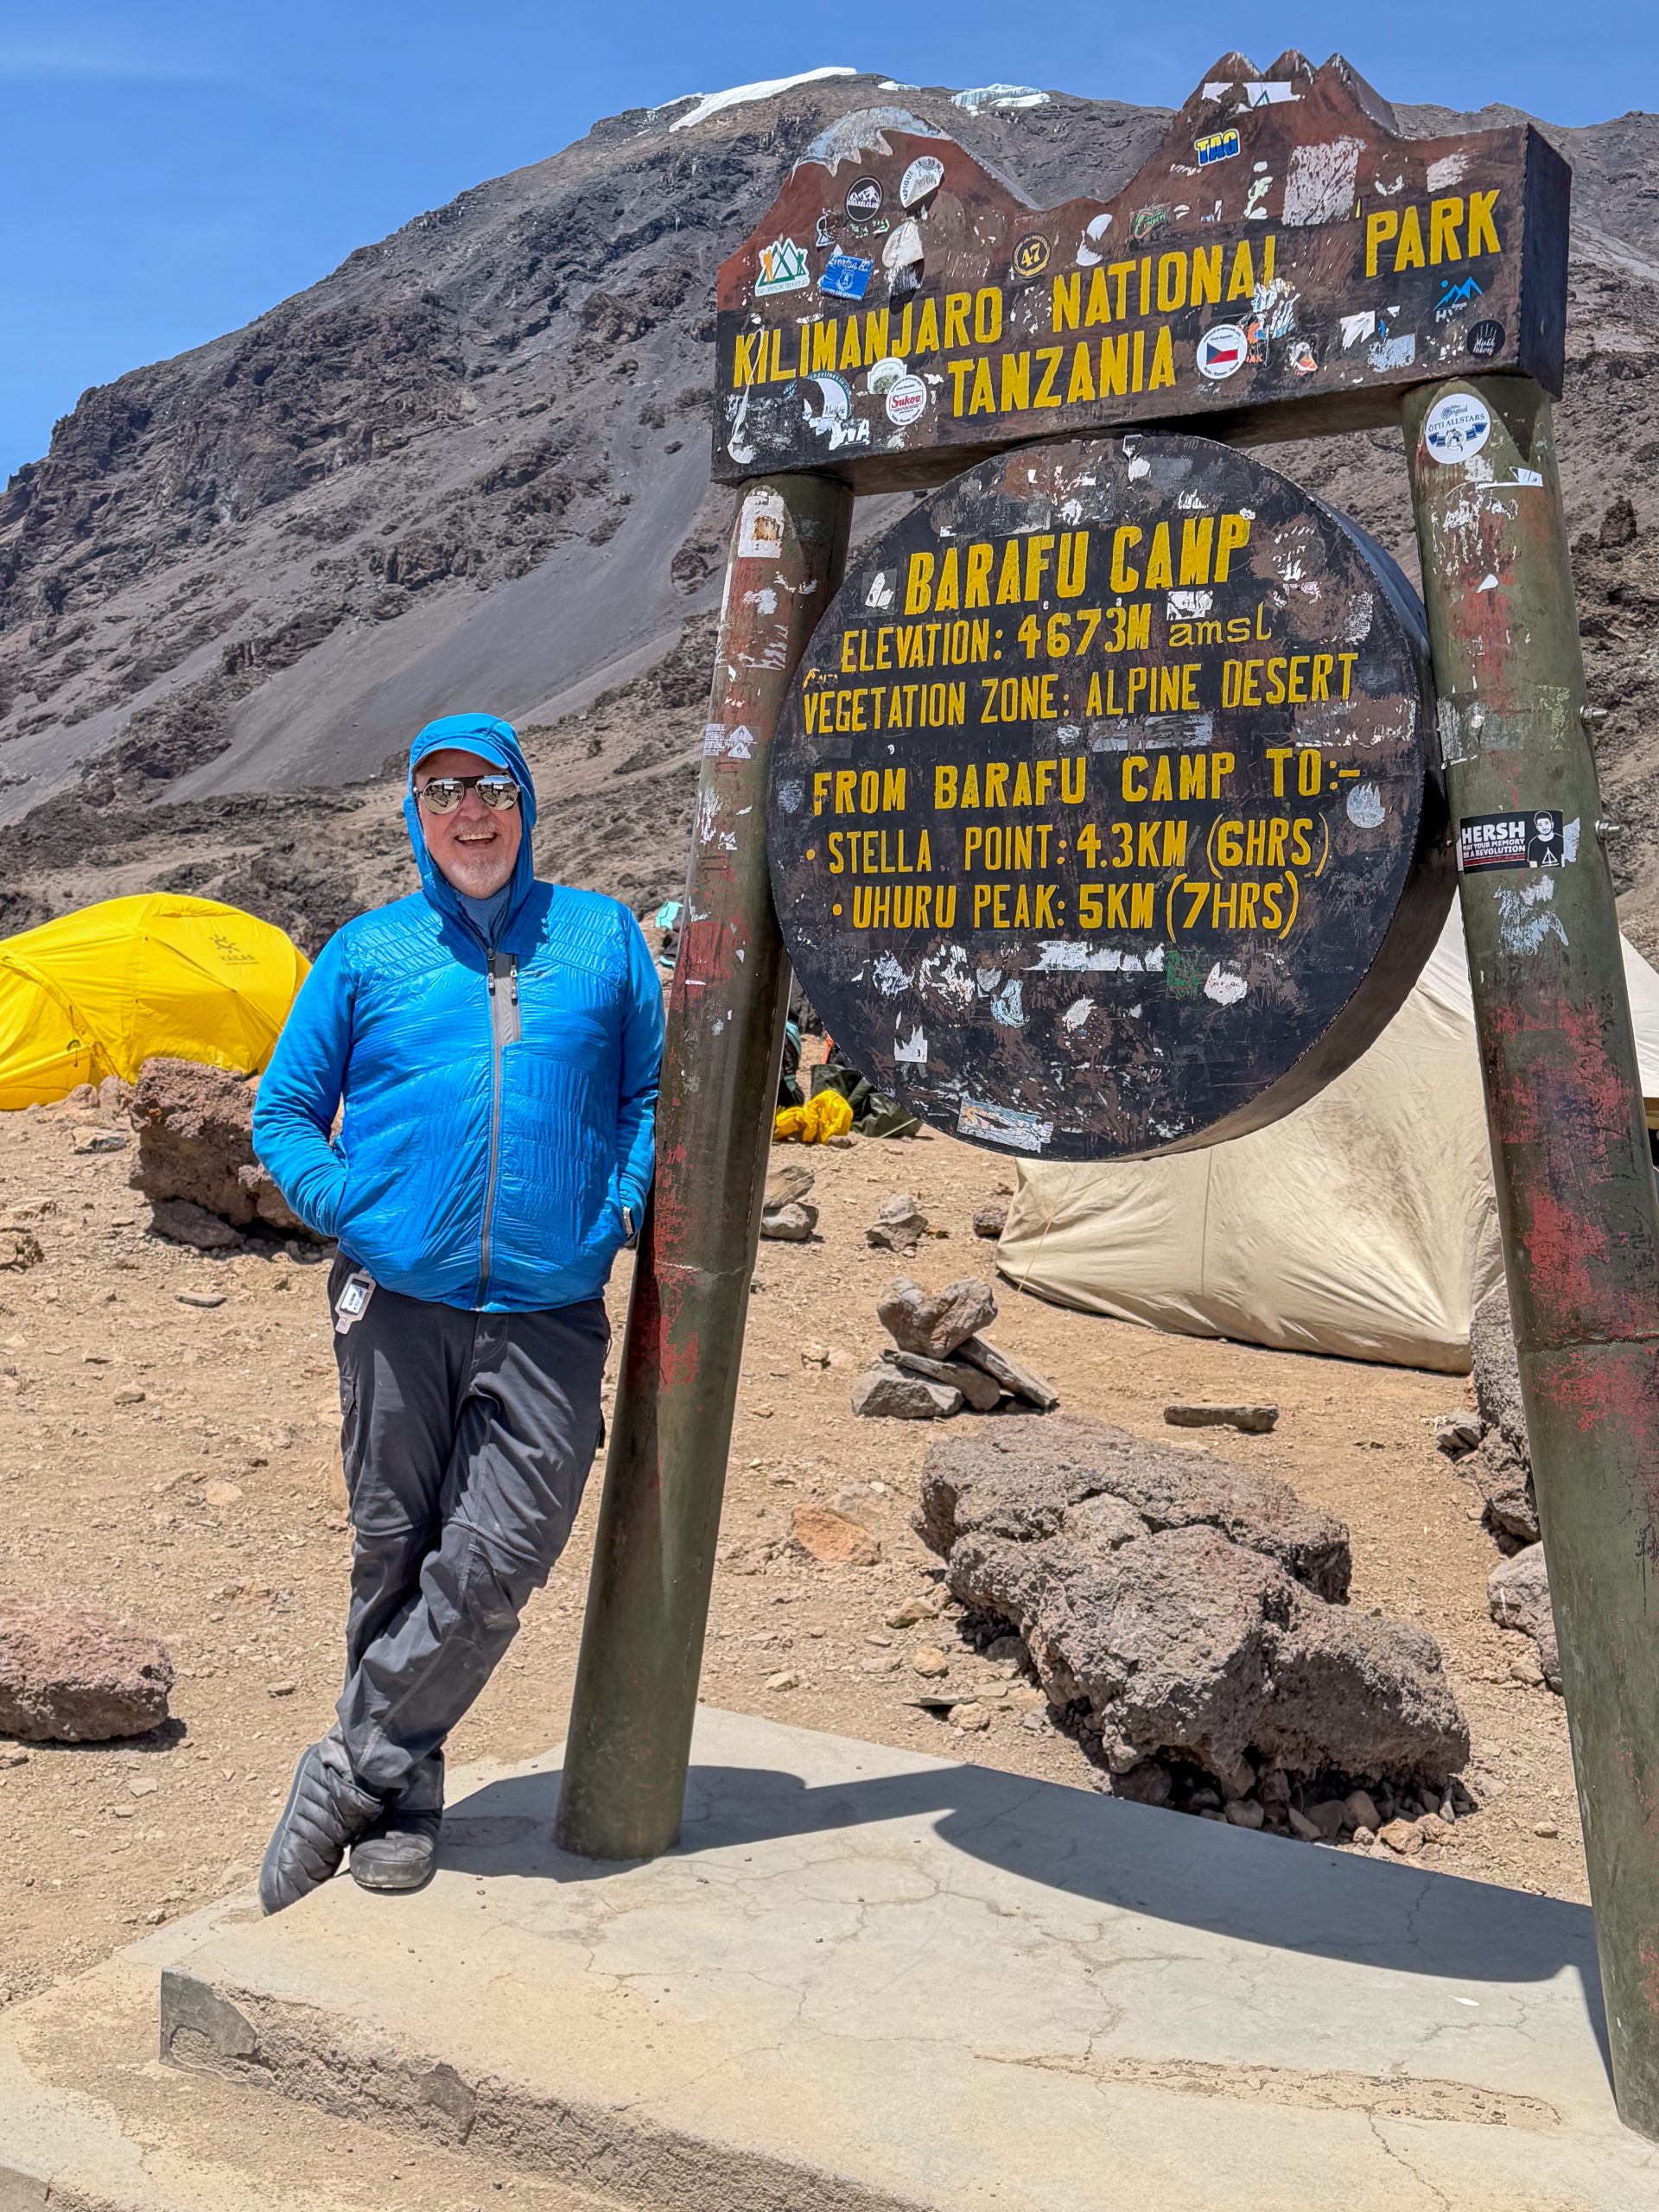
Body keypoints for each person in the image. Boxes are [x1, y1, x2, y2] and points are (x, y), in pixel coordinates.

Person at [251, 713, 664, 1911]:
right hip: (396, 1301)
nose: (469, 813)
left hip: (550, 1307)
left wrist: (617, 1207)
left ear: (525, 801)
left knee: (499, 1552)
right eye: (442, 794)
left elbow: (647, 1091)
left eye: (490, 789)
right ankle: (402, 1798)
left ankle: (344, 1770)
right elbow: (284, 1113)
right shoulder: (368, 953)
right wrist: (355, 1207)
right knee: (396, 1545)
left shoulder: (600, 938)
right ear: (415, 817)